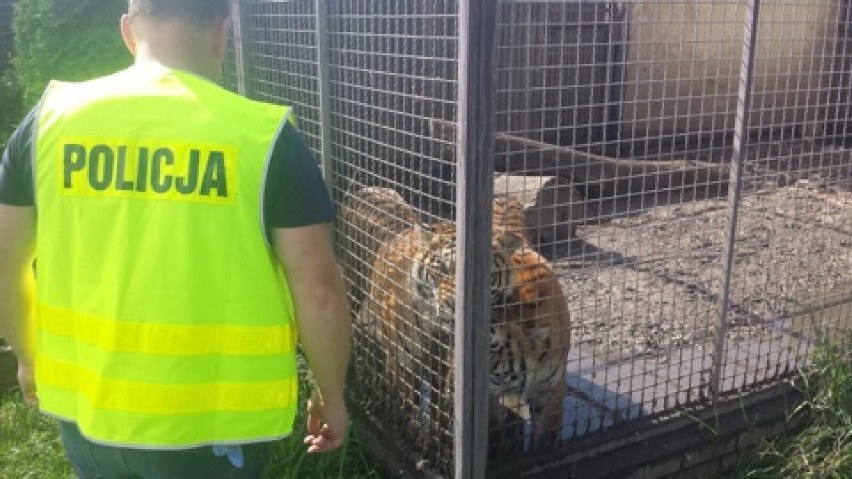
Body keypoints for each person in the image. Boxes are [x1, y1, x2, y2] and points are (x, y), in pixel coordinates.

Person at [0, 0, 352, 477]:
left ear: (128, 31)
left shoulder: (46, 123)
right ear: (221, 33)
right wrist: (331, 394)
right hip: (215, 427)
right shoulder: (264, 138)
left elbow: (6, 261)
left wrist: (25, 355)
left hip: (91, 413)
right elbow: (317, 290)